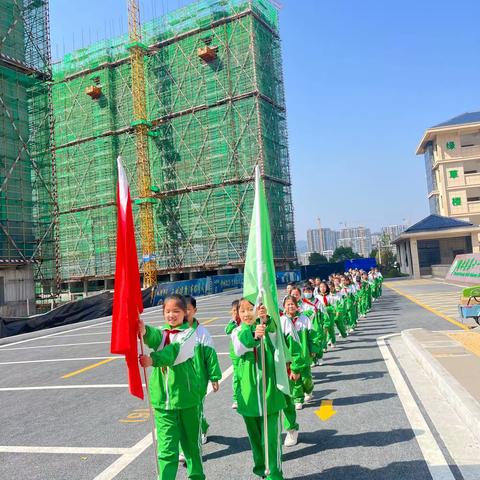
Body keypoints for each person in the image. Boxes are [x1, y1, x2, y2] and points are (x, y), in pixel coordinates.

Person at [139, 294, 205, 480]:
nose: (171, 315)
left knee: (191, 446)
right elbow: (153, 336)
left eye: (176, 311)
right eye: (167, 311)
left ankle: (197, 477)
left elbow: (174, 352)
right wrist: (143, 330)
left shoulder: (190, 334)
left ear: (185, 313)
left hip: (187, 400)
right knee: (167, 449)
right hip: (163, 402)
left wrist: (153, 360)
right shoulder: (163, 333)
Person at [232, 298, 286, 480]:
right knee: (255, 441)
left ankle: (275, 475)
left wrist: (266, 321)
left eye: (250, 309)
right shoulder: (237, 332)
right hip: (248, 397)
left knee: (271, 441)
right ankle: (262, 471)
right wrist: (254, 334)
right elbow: (240, 348)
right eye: (243, 311)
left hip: (269, 393)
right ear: (237, 314)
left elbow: (275, 335)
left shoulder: (267, 327)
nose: (247, 314)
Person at [184, 295, 221, 445]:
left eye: (188, 309)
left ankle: (193, 442)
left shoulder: (202, 332)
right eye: (182, 309)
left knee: (196, 408)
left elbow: (210, 356)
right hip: (181, 379)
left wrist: (214, 377)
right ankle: (202, 426)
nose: (185, 313)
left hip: (198, 379)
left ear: (195, 310)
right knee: (186, 410)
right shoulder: (174, 331)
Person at [280, 296, 306, 446]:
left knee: (286, 401)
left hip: (284, 369)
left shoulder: (283, 321)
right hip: (264, 372)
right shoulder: (253, 324)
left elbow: (295, 347)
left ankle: (291, 429)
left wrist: (295, 368)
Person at [225, 299, 241, 409]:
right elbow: (227, 330)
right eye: (233, 310)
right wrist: (233, 321)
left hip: (245, 353)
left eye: (237, 310)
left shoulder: (246, 321)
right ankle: (236, 398)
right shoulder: (233, 323)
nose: (235, 313)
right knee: (236, 377)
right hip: (235, 354)